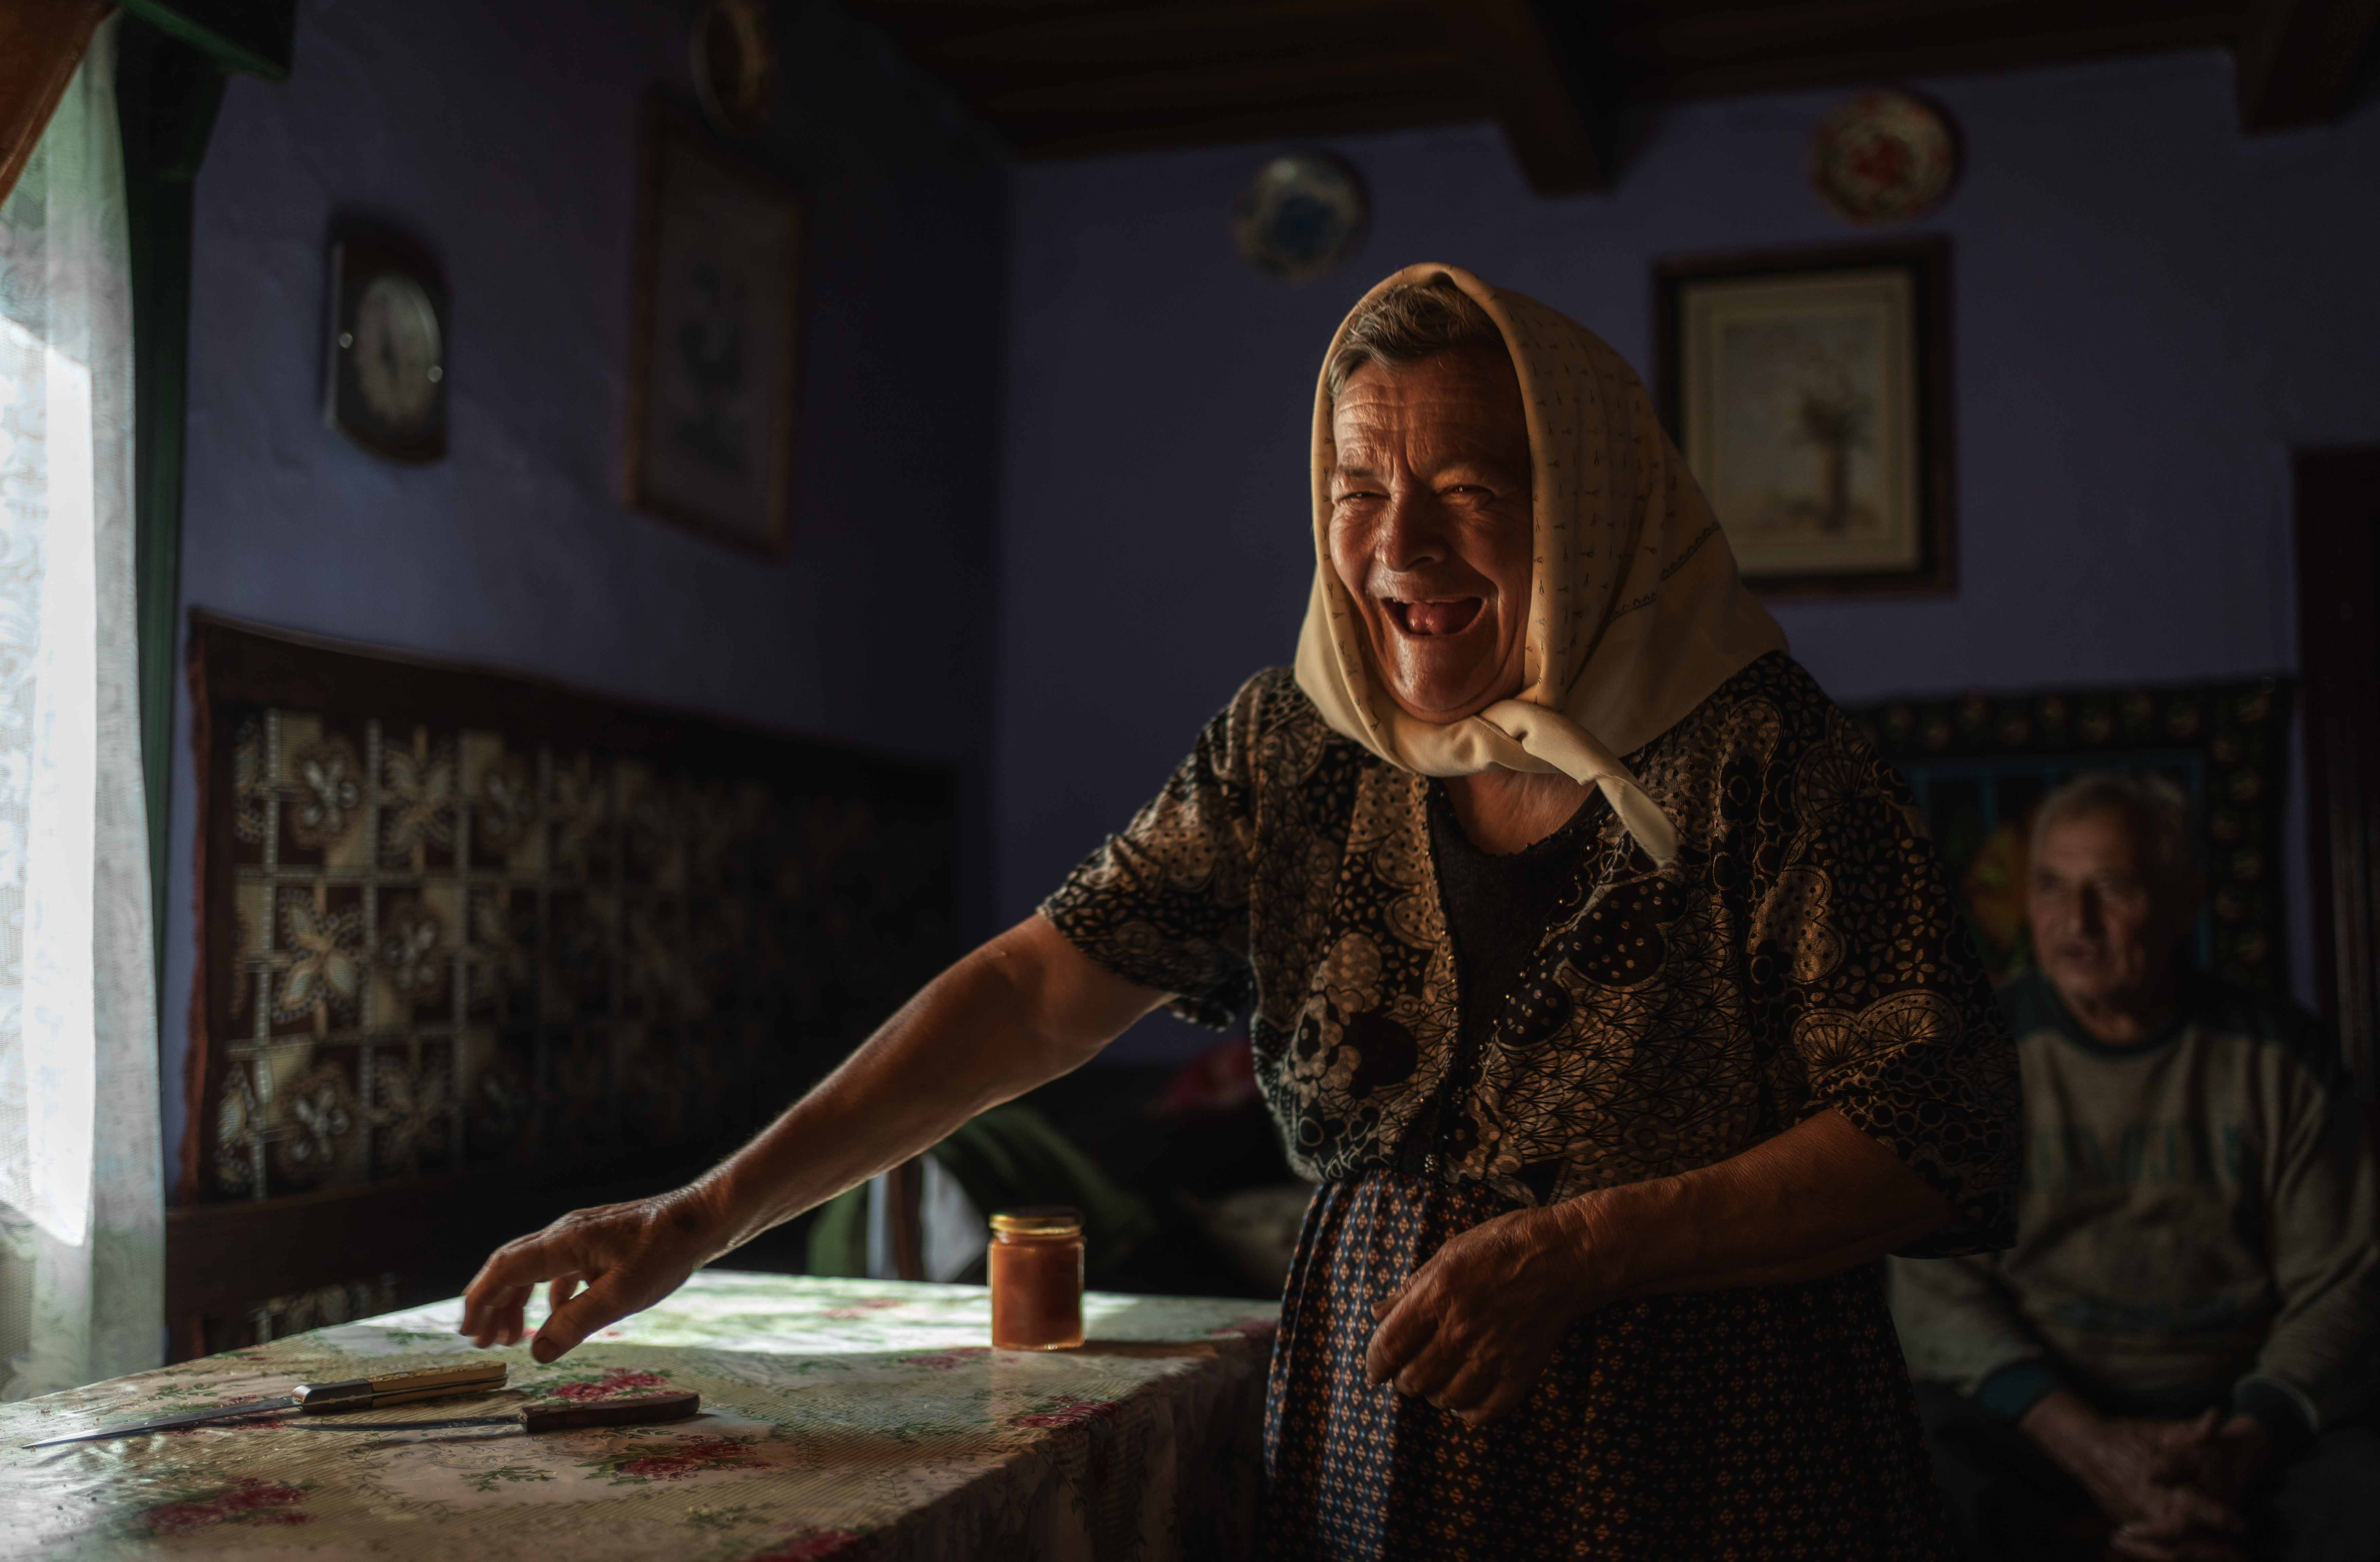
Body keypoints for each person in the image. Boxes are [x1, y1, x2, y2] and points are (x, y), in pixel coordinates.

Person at [459, 265, 2020, 1559]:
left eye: (1466, 490)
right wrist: (700, 1213)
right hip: (1375, 1458)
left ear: (1593, 501)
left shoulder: (1763, 752)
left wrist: (1589, 1247)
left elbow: (1937, 1120)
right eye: (1357, 489)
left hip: (1718, 1463)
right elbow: (1029, 993)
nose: (1395, 549)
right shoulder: (1294, 747)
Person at [1891, 774, 2380, 1562]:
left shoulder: (2284, 1058)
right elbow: (1935, 1291)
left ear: (2186, 902)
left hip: (2241, 1408)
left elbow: (2345, 1285)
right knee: (1910, 1465)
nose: (2074, 923)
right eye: (2050, 887)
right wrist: (2088, 1443)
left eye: (2110, 889)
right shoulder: (1969, 1059)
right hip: (2038, 1418)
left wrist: (2243, 1446)